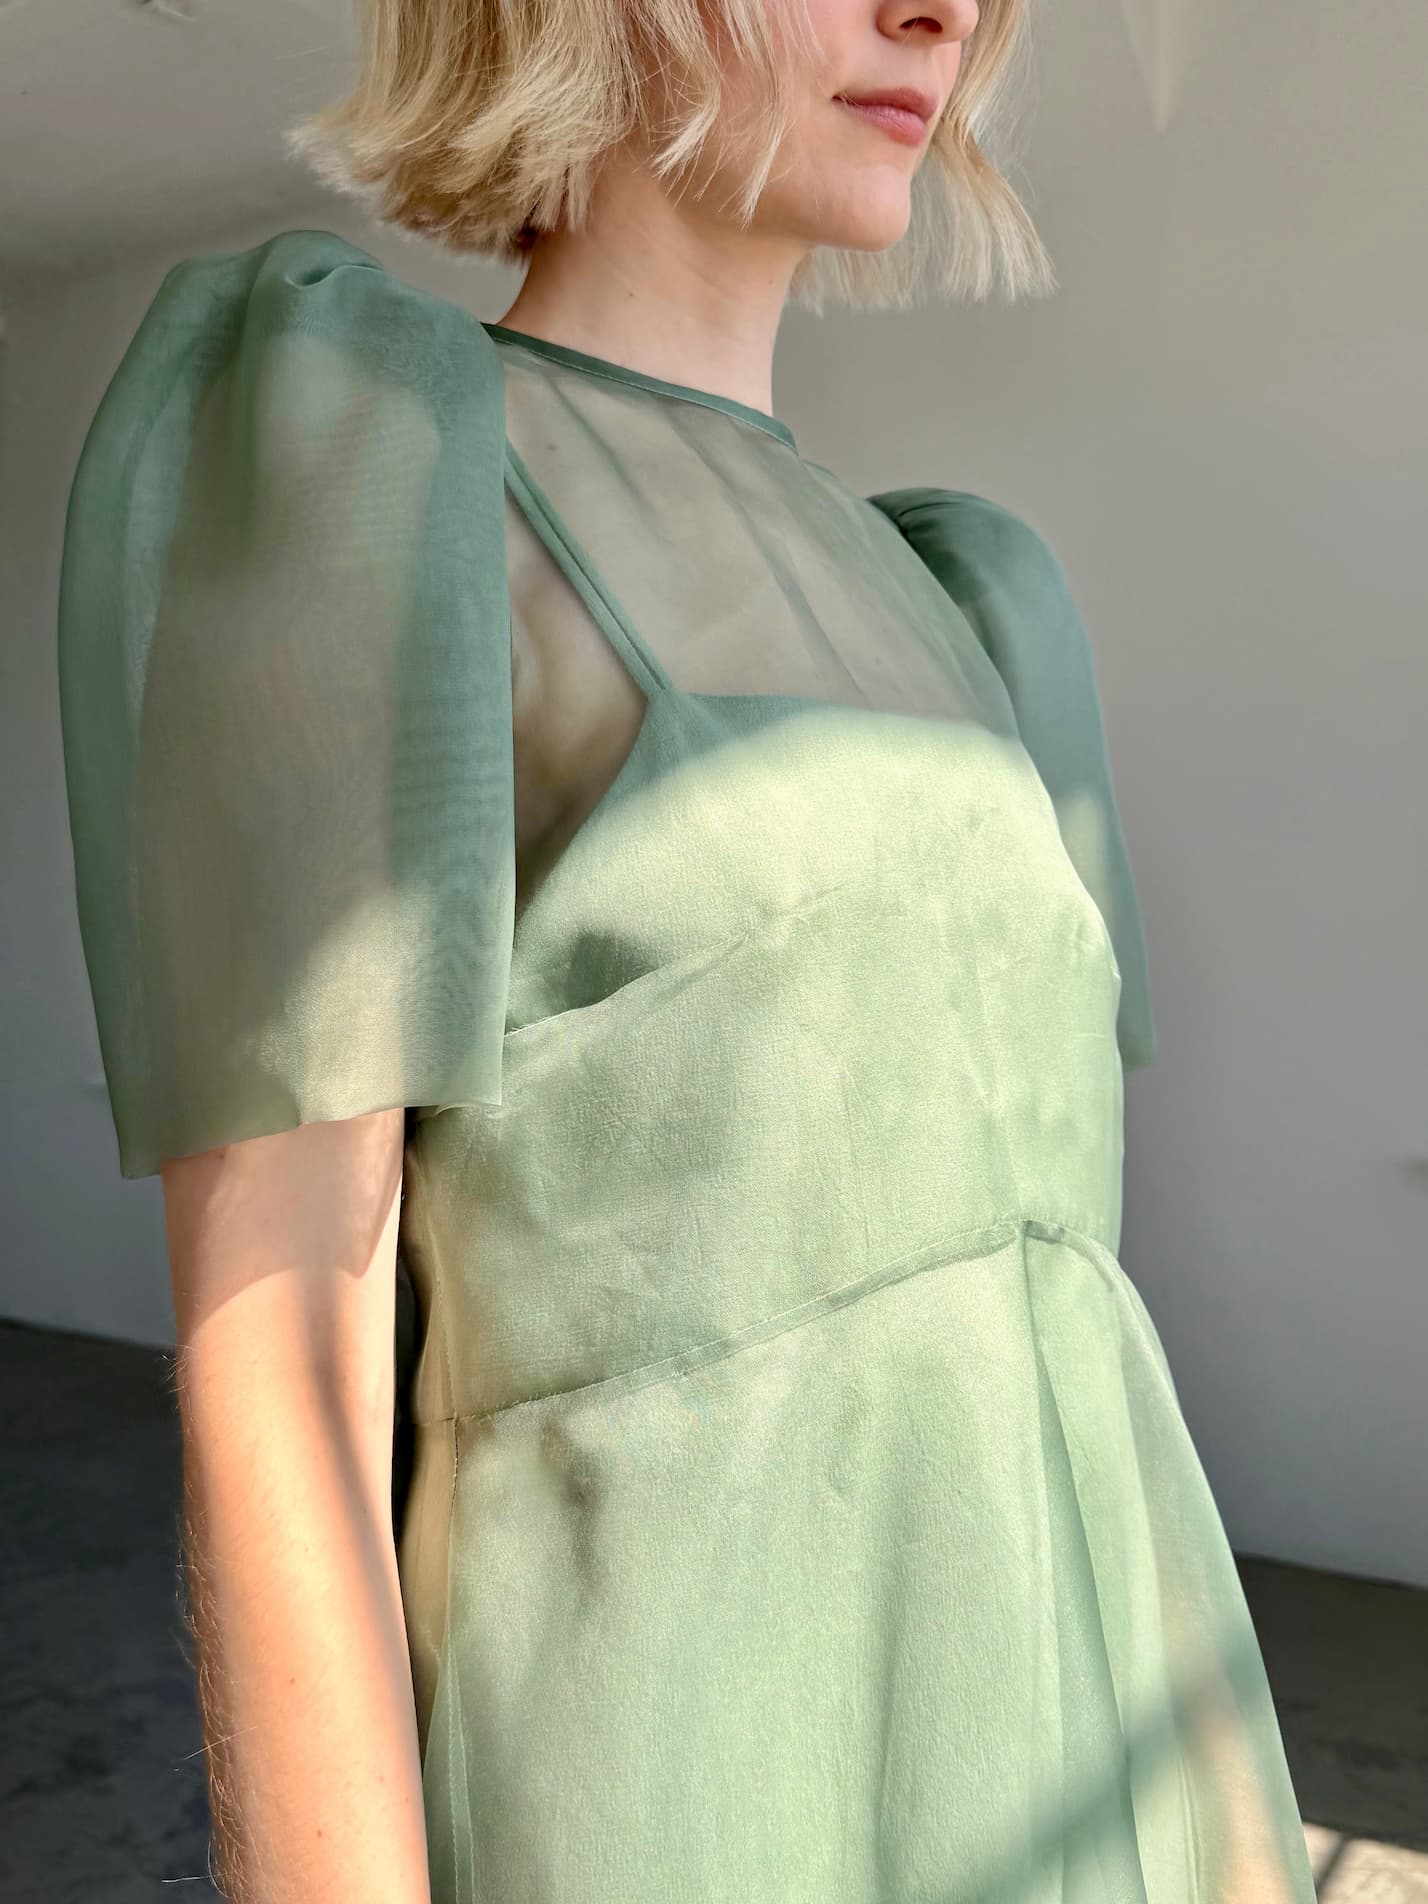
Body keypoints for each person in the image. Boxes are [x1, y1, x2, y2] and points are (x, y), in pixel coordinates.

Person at [56, 1, 1320, 1899]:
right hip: (684, 1779)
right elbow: (286, 1367)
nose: (946, 12)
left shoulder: (969, 595)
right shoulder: (378, 469)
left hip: (1088, 1735)